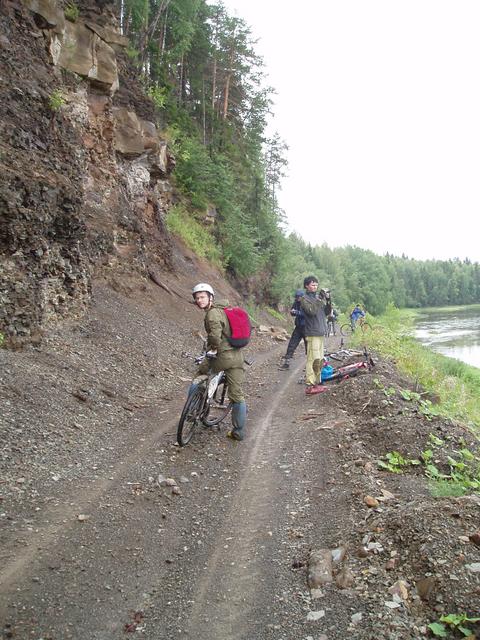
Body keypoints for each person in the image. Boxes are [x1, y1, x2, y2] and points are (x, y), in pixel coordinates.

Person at [191, 283, 247, 441]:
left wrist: (213, 349)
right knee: (237, 395)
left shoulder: (212, 313)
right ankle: (238, 432)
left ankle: (192, 412)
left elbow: (215, 336)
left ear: (210, 297)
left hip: (222, 357)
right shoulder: (226, 310)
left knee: (199, 376)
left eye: (202, 297)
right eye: (197, 298)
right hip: (237, 357)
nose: (199, 300)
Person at [299, 276, 332, 395]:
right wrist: (320, 299)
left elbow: (327, 312)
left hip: (320, 332)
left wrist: (328, 299)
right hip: (312, 333)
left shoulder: (318, 299)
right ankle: (310, 384)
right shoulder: (304, 299)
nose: (315, 287)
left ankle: (317, 382)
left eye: (316, 285)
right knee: (312, 359)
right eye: (313, 285)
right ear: (306, 286)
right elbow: (311, 311)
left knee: (319, 360)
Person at [279, 289, 307, 370]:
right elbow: (292, 312)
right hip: (298, 327)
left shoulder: (307, 303)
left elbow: (307, 314)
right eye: (296, 297)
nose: (297, 298)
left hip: (306, 328)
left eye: (299, 297)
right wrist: (293, 312)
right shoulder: (296, 302)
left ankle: (309, 365)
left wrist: (297, 312)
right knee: (292, 344)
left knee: (308, 347)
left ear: (302, 297)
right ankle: (286, 364)